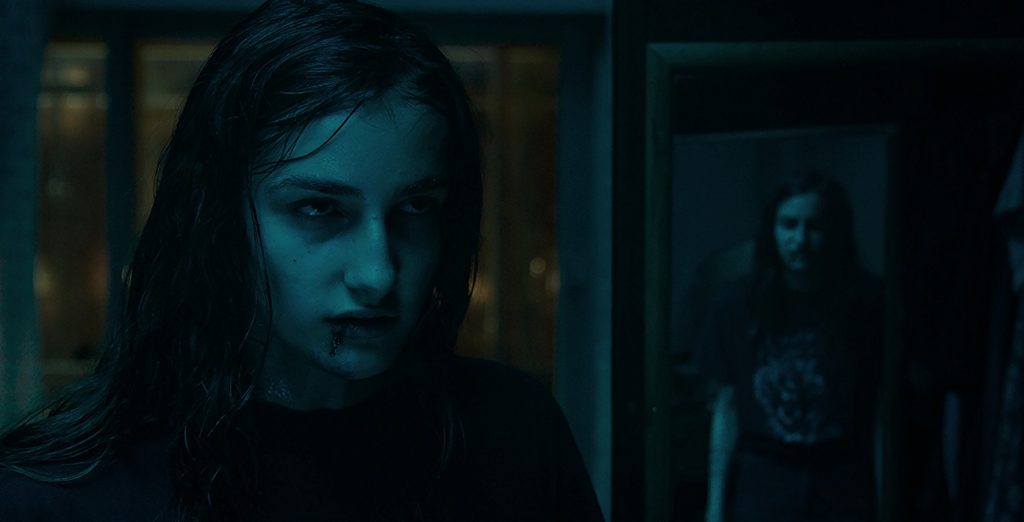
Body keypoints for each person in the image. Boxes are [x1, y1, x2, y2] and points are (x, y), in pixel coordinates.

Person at [0, 1, 604, 520]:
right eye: (319, 209)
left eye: (416, 208)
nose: (378, 274)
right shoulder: (57, 493)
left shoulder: (514, 434)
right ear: (220, 221)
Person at [696, 172, 883, 522]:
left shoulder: (866, 305)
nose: (800, 239)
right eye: (789, 225)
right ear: (772, 229)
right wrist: (715, 504)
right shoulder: (736, 305)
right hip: (765, 476)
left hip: (840, 476)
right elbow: (726, 406)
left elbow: (879, 409)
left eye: (814, 226)